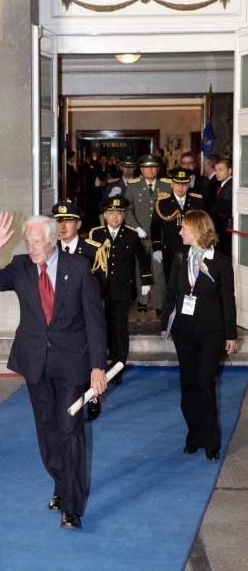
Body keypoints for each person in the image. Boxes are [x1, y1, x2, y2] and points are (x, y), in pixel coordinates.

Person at [0, 212, 107, 531]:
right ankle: (62, 486)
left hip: (72, 365)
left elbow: (94, 321)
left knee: (69, 429)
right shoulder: (21, 267)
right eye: (27, 241)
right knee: (47, 432)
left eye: (37, 242)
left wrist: (97, 367)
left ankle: (72, 507)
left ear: (54, 241)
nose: (31, 247)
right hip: (35, 363)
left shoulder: (78, 269)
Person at [161, 210, 237, 461]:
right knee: (188, 385)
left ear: (197, 230)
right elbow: (171, 291)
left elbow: (228, 299)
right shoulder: (180, 256)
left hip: (211, 332)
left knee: (205, 382)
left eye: (183, 228)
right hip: (183, 331)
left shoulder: (221, 262)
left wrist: (231, 334)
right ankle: (194, 435)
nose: (180, 232)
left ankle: (211, 440)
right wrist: (165, 323)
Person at [88, 195, 153, 384]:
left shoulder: (131, 235)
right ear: (104, 215)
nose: (115, 216)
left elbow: (142, 259)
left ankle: (118, 364)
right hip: (99, 290)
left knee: (120, 327)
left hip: (122, 290)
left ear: (124, 214)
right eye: (111, 213)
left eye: (119, 213)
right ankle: (104, 360)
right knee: (103, 326)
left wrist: (146, 281)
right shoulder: (96, 234)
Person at [52, 201, 103, 421]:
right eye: (59, 222)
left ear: (78, 223)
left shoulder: (92, 250)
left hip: (83, 316)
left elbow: (101, 286)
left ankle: (92, 398)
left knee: (87, 359)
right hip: (59, 319)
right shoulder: (50, 251)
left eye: (68, 221)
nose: (63, 226)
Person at [125, 154, 172, 316]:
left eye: (153, 167)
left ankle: (159, 304)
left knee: (159, 272)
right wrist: (136, 227)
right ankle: (143, 301)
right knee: (141, 270)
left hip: (160, 237)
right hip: (140, 237)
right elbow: (127, 211)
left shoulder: (167, 186)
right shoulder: (133, 186)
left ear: (158, 169)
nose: (150, 170)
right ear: (141, 169)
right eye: (146, 167)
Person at [151, 167, 205, 283]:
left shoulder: (197, 201)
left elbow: (203, 226)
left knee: (192, 281)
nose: (181, 187)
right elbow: (155, 226)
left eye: (184, 184)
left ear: (189, 184)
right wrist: (156, 248)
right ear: (172, 184)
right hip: (170, 250)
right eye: (177, 183)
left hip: (193, 249)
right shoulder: (162, 202)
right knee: (172, 282)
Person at [209, 157, 233, 258]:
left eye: (221, 170)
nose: (217, 173)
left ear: (229, 171)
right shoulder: (225, 185)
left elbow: (222, 213)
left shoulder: (229, 186)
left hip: (223, 233)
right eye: (216, 170)